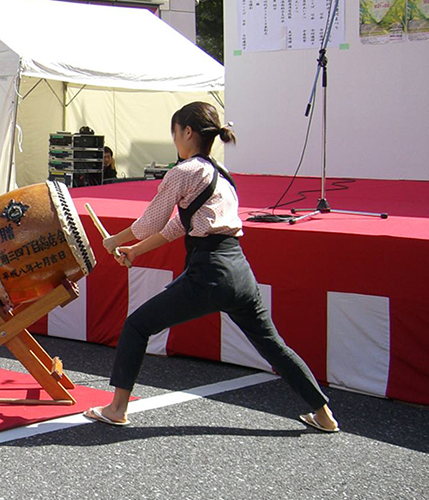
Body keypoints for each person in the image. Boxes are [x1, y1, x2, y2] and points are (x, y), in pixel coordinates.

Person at [83, 101, 339, 433]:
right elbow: (177, 226)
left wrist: (115, 240)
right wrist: (135, 251)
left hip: (209, 272)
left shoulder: (184, 171)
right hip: (239, 271)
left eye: (174, 132)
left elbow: (151, 221)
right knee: (272, 344)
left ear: (187, 132)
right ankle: (323, 413)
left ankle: (117, 408)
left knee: (136, 326)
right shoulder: (222, 175)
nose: (174, 138)